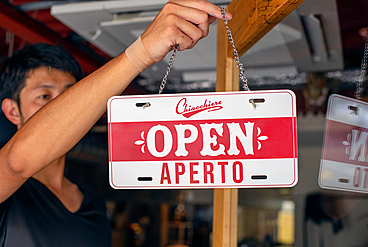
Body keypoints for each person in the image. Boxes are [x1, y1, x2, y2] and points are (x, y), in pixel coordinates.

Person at [0, 0, 232, 246]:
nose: (65, 109)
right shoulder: (8, 191)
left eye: (70, 95)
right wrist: (140, 53)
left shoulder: (92, 203)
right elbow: (16, 163)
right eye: (44, 96)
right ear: (12, 111)